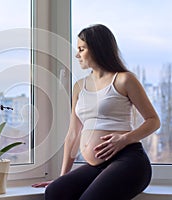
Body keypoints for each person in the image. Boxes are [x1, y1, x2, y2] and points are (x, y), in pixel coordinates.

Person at [32, 24, 160, 200]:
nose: (77, 55)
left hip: (129, 160)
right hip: (97, 166)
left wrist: (124, 139)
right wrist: (63, 176)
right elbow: (73, 134)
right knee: (56, 191)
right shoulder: (79, 86)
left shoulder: (124, 79)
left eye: (81, 49)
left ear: (98, 48)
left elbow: (153, 120)